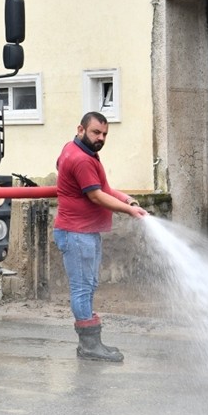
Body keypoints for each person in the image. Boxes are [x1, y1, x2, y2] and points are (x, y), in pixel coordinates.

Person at [53, 111, 148, 362]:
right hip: (76, 233)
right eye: (96, 132)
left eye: (105, 134)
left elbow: (102, 187)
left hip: (85, 232)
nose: (101, 138)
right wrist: (129, 210)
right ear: (81, 129)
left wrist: (127, 198)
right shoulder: (81, 159)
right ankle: (89, 346)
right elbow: (95, 195)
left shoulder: (78, 151)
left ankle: (92, 344)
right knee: (82, 289)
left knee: (88, 285)